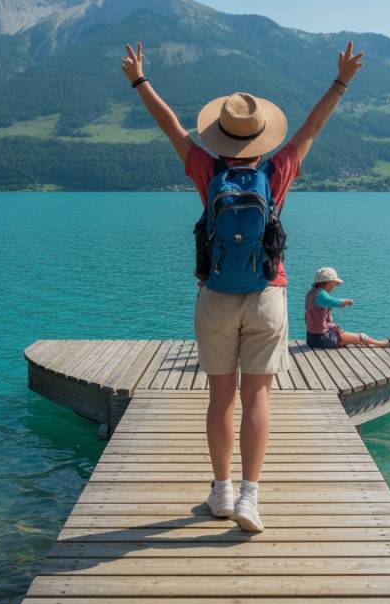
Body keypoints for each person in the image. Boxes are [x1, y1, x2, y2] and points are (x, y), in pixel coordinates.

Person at [121, 39, 365, 533]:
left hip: (215, 295)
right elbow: (312, 126)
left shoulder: (205, 168)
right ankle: (251, 498)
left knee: (220, 397)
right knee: (257, 398)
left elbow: (169, 124)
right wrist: (340, 81)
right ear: (261, 136)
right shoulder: (277, 171)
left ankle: (221, 491)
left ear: (220, 135)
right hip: (267, 295)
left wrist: (139, 81)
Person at [305, 267, 390, 349]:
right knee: (361, 337)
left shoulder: (310, 293)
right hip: (322, 338)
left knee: (350, 338)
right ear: (328, 282)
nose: (334, 286)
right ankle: (384, 343)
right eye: (334, 284)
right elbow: (334, 302)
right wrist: (346, 301)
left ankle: (382, 343)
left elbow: (324, 316)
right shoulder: (321, 295)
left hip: (311, 338)